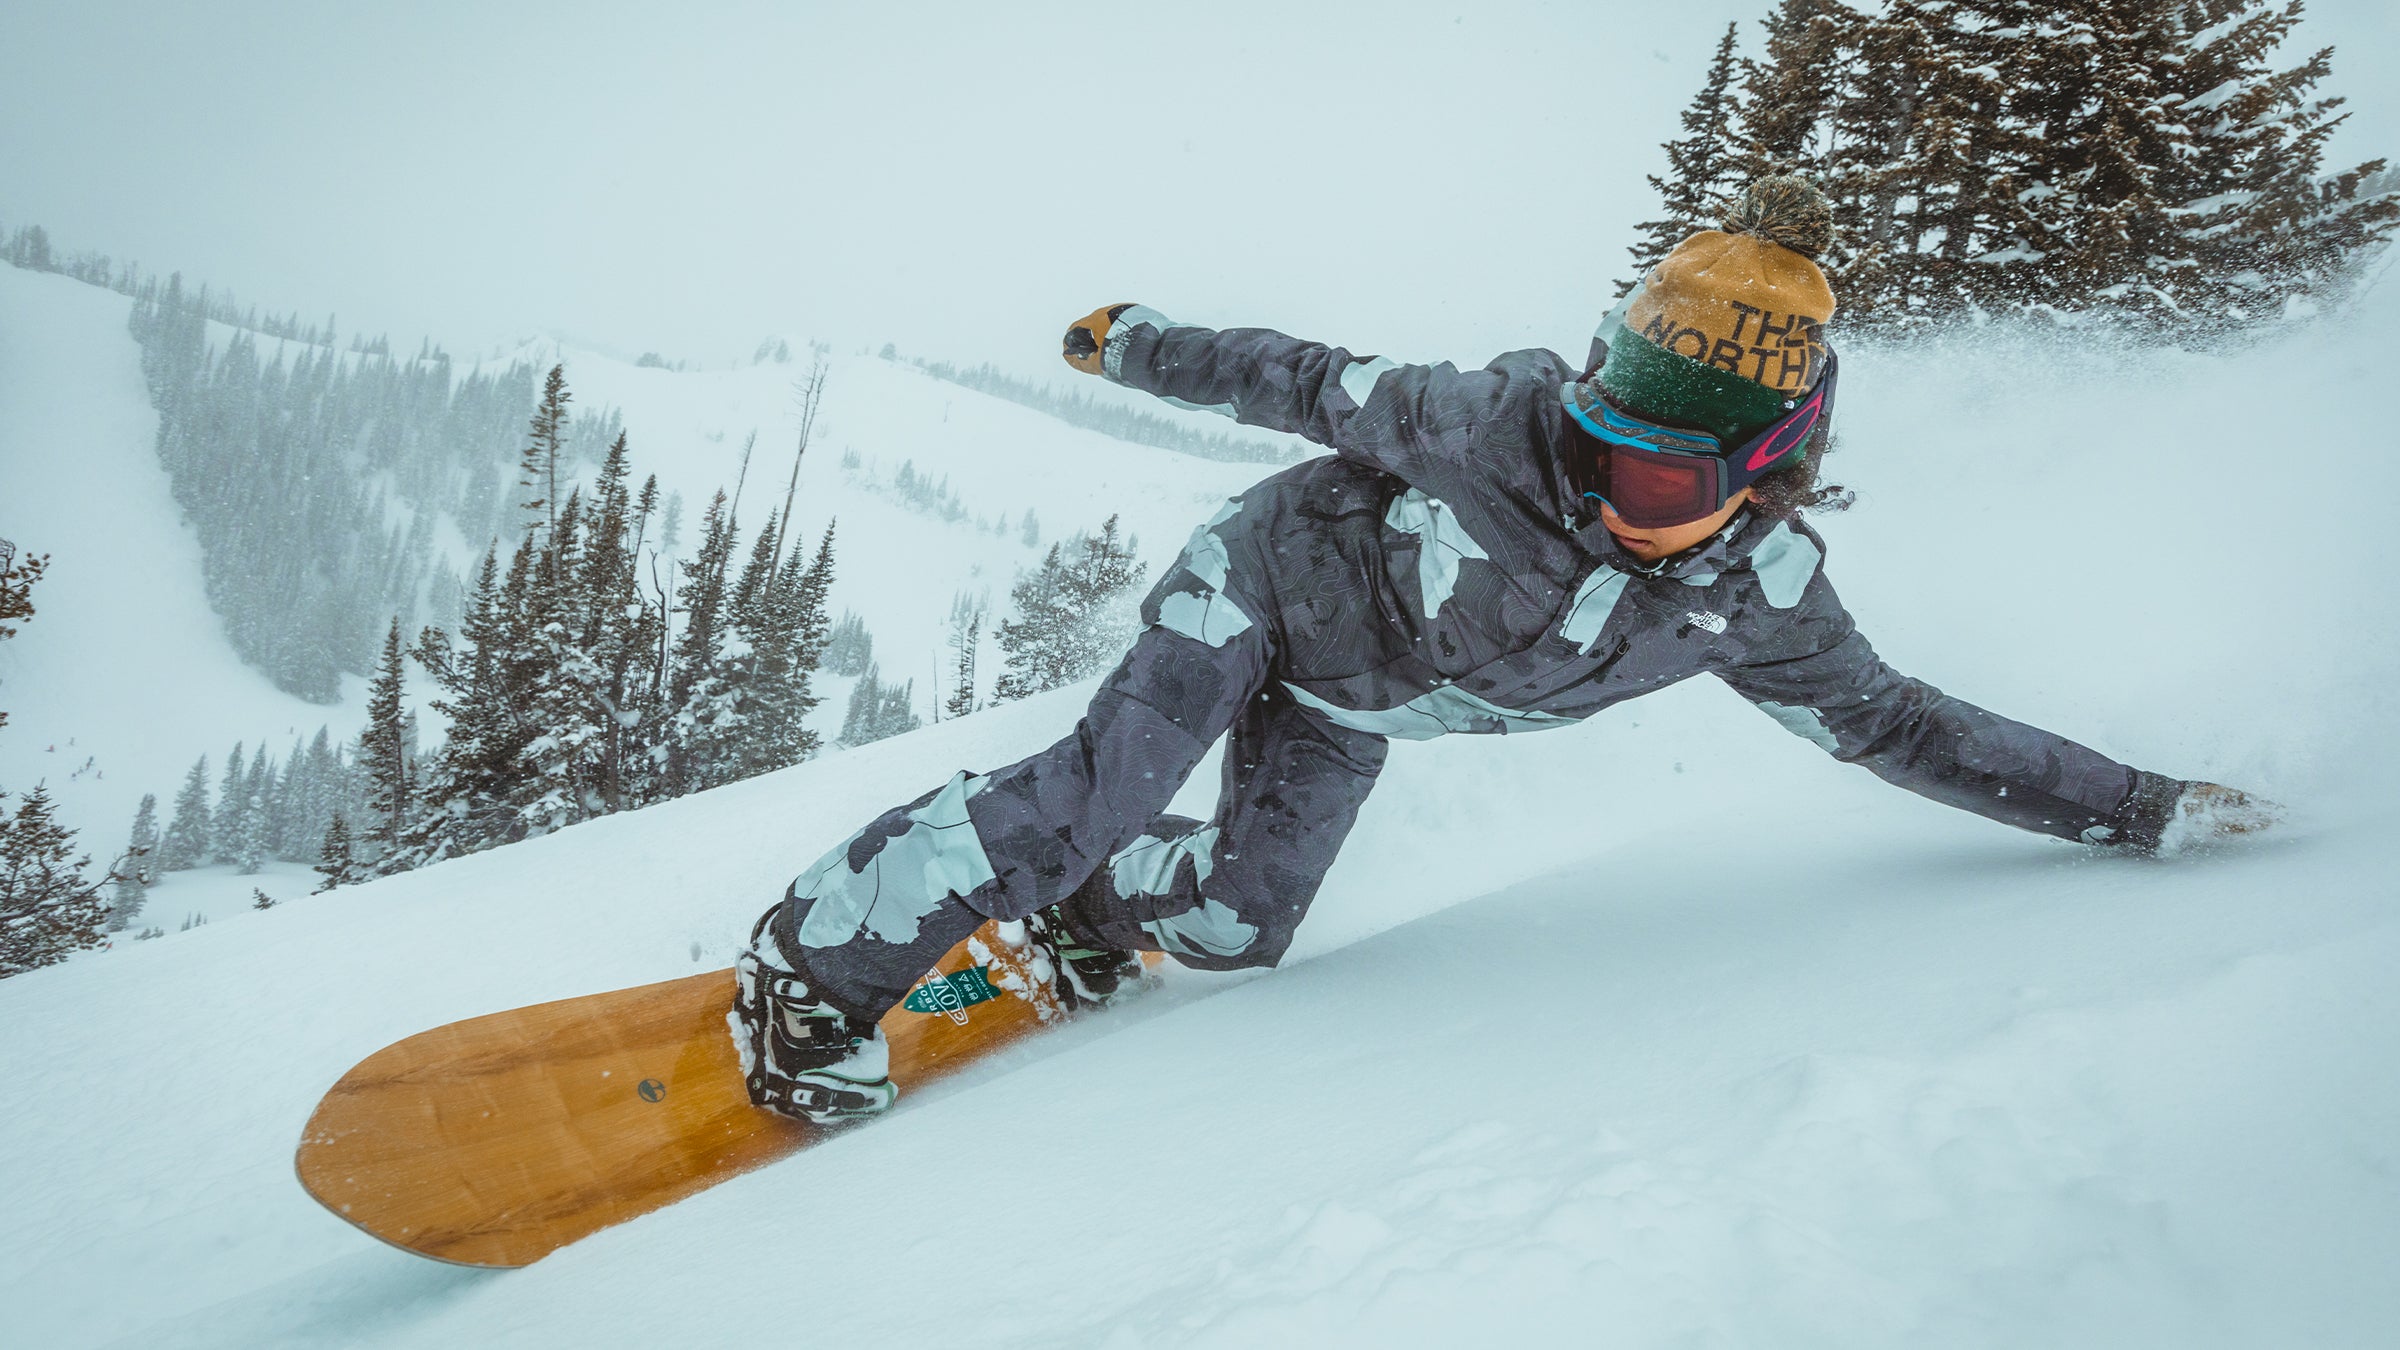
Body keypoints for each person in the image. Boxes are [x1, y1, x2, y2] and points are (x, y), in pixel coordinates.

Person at [730, 176, 2276, 1122]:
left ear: (1763, 469)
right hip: (1266, 580)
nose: (1610, 481)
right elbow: (1306, 381)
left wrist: (2133, 806)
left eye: (1663, 475)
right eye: (1602, 439)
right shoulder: (1494, 424)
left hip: (1359, 701)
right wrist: (1129, 336)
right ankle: (809, 966)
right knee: (1102, 785)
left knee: (1227, 932)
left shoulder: (1764, 603)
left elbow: (1911, 730)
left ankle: (1085, 905)